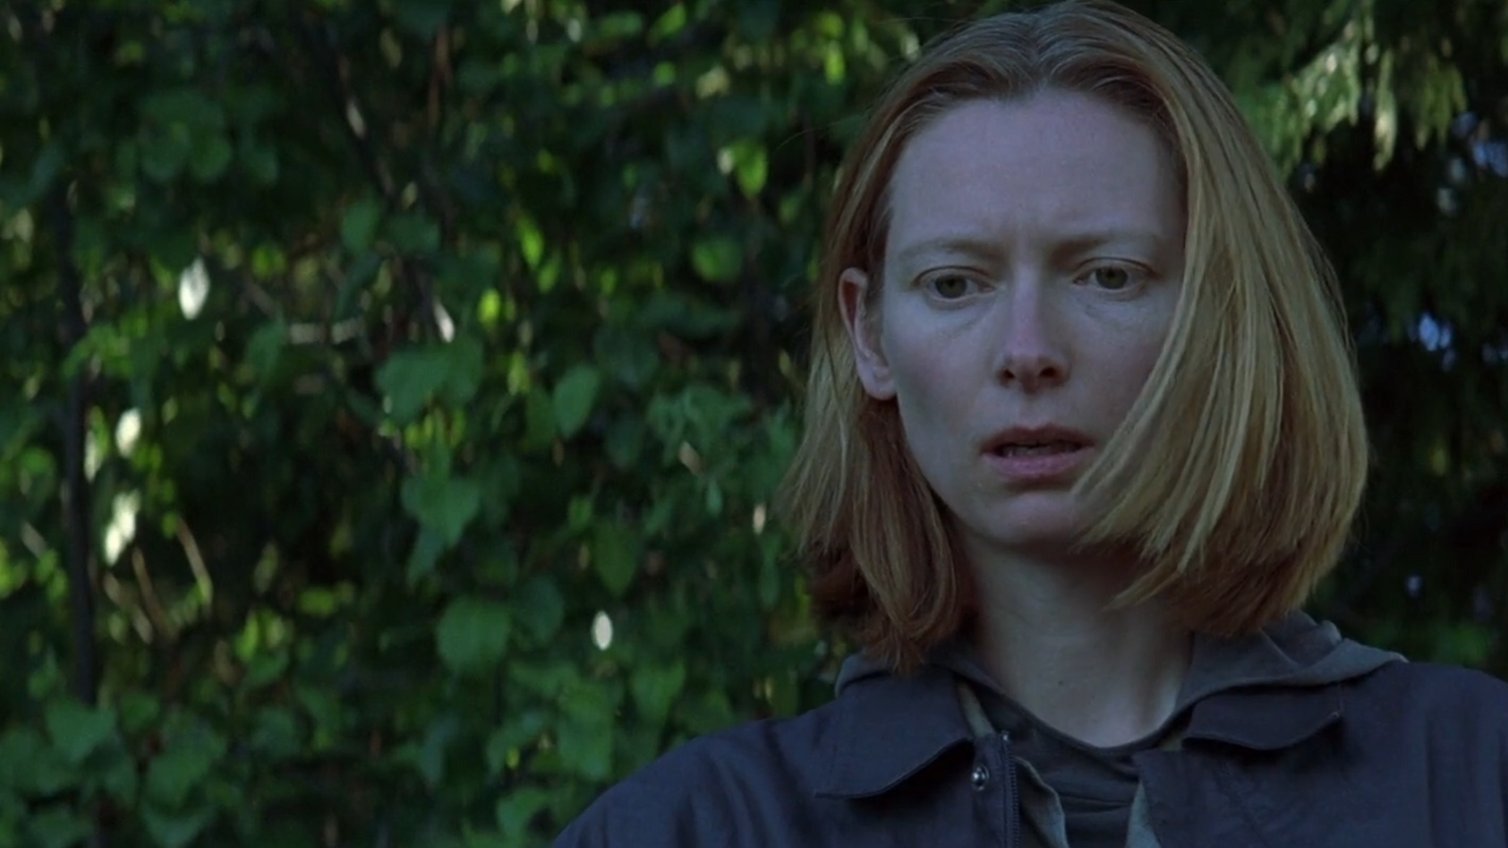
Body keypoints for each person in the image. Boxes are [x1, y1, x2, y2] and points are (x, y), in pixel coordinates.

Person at [556, 1, 1508, 845]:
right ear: (869, 335)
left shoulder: (1471, 782)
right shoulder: (689, 831)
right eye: (954, 284)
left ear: (1224, 317)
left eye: (1107, 276)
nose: (1028, 350)